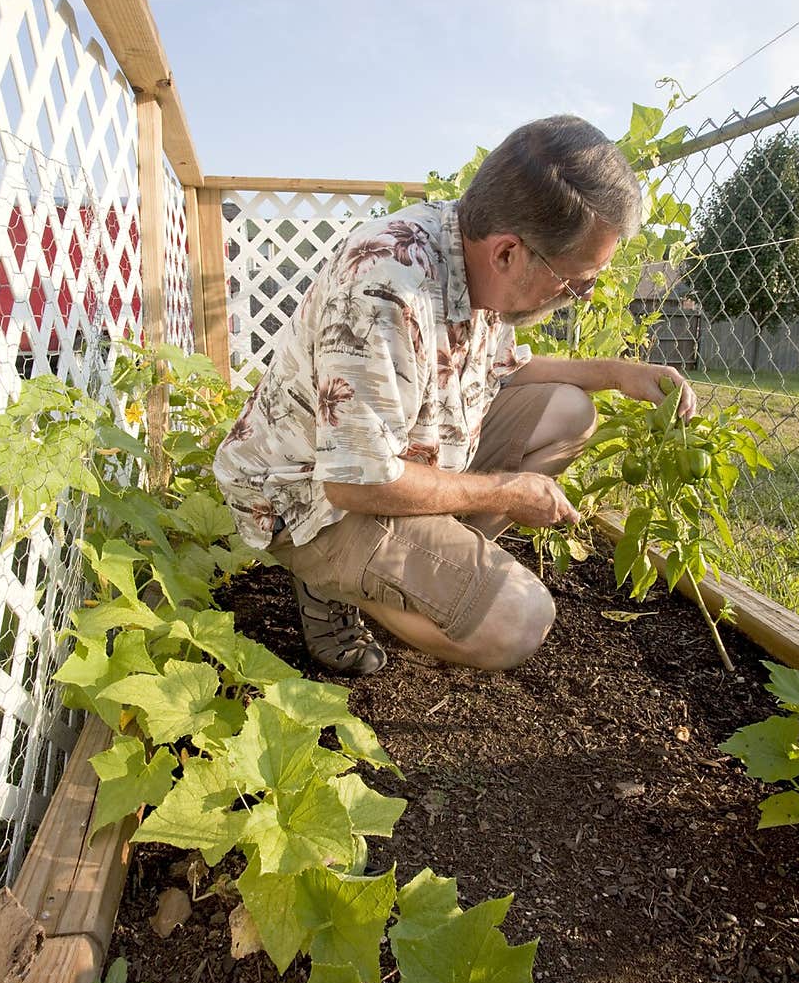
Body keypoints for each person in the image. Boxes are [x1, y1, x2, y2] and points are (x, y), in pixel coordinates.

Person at [213, 115, 696, 677]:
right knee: (517, 620)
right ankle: (331, 585)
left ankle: (416, 567)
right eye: (577, 282)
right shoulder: (386, 288)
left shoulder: (464, 246)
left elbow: (505, 369)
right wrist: (506, 491)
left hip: (391, 463)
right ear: (509, 253)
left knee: (570, 409)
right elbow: (353, 480)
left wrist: (617, 373)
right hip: (309, 498)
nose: (581, 299)